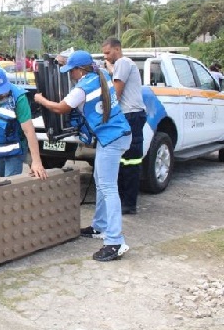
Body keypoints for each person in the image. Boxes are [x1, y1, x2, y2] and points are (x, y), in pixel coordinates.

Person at [34, 50, 132, 262]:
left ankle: (115, 241)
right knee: (101, 181)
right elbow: (93, 63)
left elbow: (61, 108)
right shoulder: (102, 75)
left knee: (108, 187)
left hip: (111, 139)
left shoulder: (82, 88)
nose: (70, 74)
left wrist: (41, 100)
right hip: (119, 135)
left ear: (80, 70)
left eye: (72, 70)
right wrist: (61, 59)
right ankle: (100, 226)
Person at [102, 37, 147, 215]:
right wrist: (108, 66)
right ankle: (126, 201)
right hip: (133, 115)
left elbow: (116, 93)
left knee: (129, 161)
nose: (106, 56)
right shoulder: (124, 64)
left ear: (117, 49)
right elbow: (115, 74)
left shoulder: (122, 62)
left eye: (107, 53)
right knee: (126, 160)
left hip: (130, 116)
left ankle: (128, 203)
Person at [0, 68, 47, 179]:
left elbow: (29, 131)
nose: (2, 95)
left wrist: (36, 161)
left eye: (3, 91)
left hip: (15, 148)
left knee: (10, 184)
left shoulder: (19, 98)